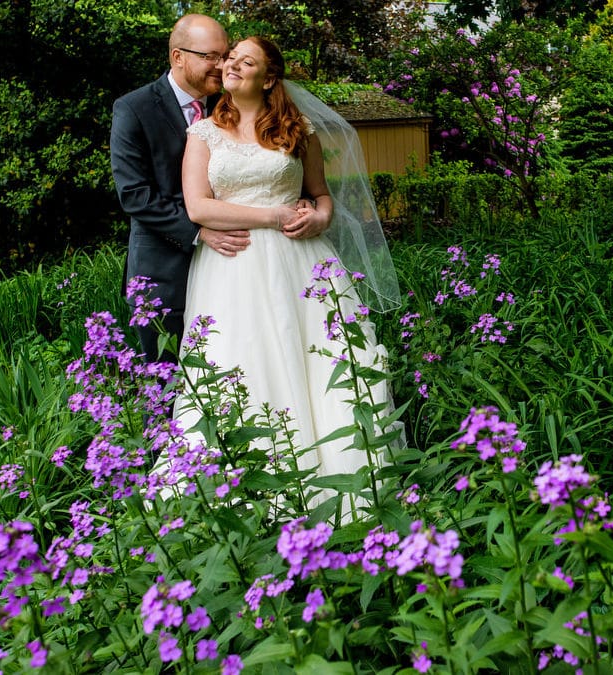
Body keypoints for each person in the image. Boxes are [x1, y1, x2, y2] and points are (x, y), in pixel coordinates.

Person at [177, 36, 401, 512]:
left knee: (316, 358)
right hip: (233, 265)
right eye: (230, 59)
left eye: (246, 61)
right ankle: (240, 488)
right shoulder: (203, 134)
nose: (233, 66)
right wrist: (274, 217)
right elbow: (199, 206)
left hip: (303, 263)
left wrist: (319, 217)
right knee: (244, 359)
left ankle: (337, 477)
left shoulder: (298, 130)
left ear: (269, 77)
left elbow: (321, 196)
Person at [109, 14, 253, 362]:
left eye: (225, 56)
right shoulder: (133, 108)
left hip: (234, 269)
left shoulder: (232, 105)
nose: (221, 66)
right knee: (166, 387)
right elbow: (135, 195)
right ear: (178, 57)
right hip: (163, 276)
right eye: (211, 57)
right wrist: (198, 232)